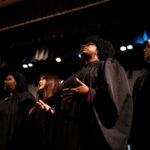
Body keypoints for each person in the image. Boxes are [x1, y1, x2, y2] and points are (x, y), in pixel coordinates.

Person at [50, 35, 133, 150]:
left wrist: (90, 93)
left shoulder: (107, 66)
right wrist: (53, 110)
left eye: (89, 44)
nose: (84, 46)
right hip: (68, 136)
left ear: (99, 49)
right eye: (84, 44)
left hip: (90, 137)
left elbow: (119, 97)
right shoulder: (70, 78)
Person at [0, 72, 35, 150]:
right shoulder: (6, 99)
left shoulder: (25, 97)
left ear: (17, 82)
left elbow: (26, 124)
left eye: (9, 79)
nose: (5, 81)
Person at [27, 73, 60, 150]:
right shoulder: (38, 103)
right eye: (40, 79)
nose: (40, 81)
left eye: (43, 79)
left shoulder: (57, 101)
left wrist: (51, 113)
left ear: (51, 81)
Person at [128, 40, 150, 150]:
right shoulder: (140, 80)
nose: (145, 49)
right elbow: (136, 110)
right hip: (141, 135)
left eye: (149, 47)